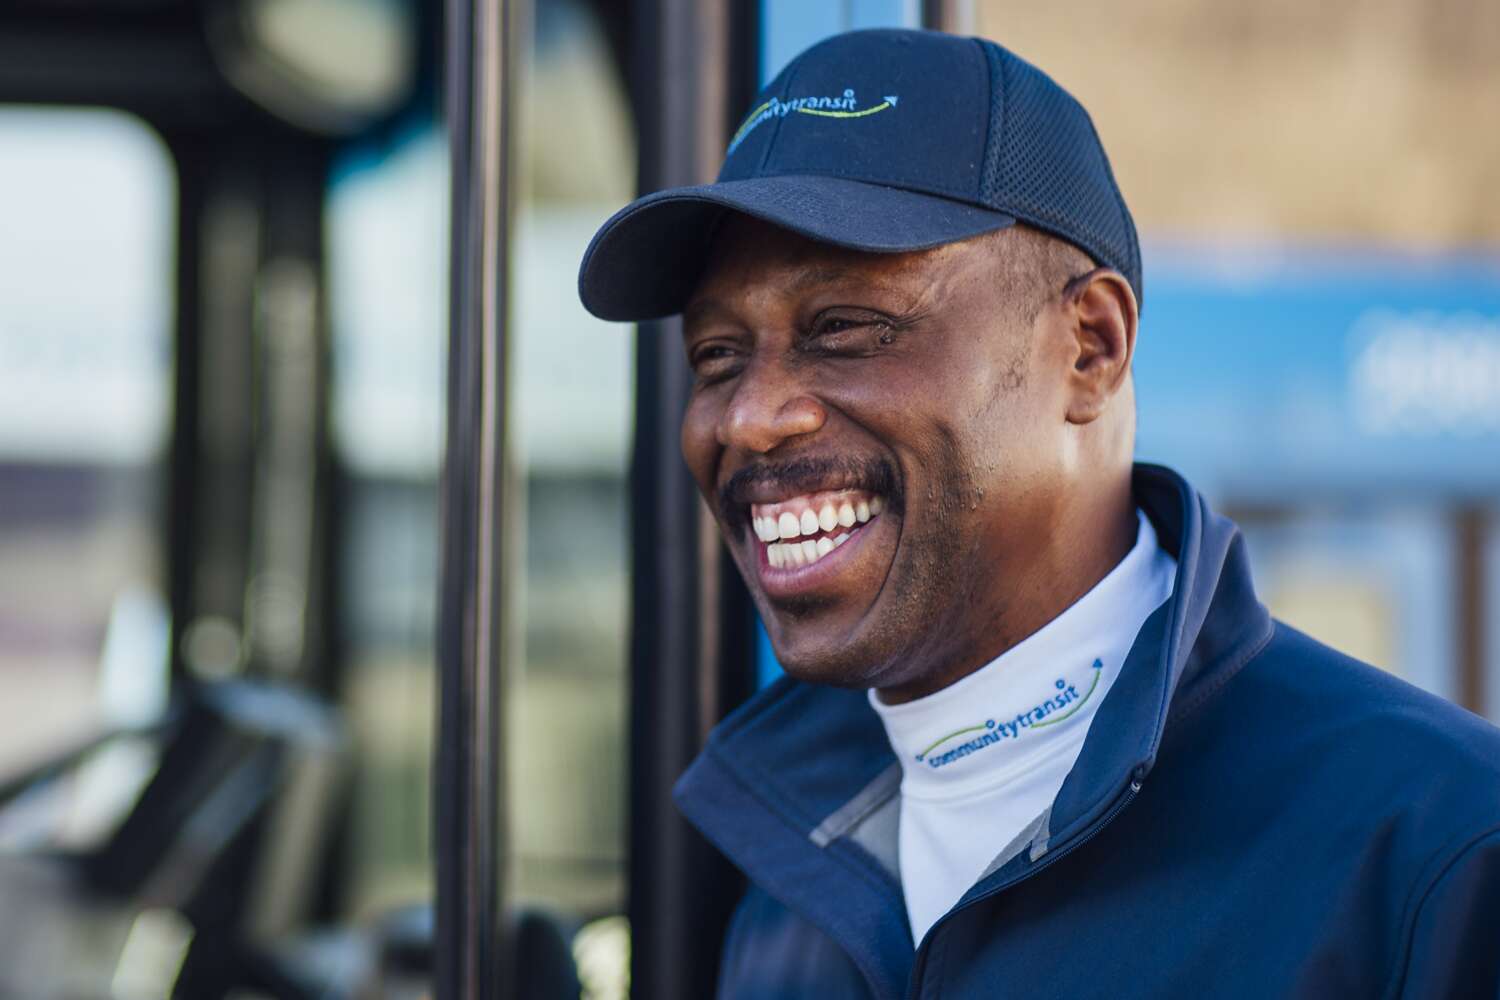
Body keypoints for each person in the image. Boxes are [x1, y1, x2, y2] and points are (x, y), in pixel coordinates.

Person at [577, 27, 1500, 999]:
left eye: (845, 328)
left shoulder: (1436, 855)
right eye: (716, 357)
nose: (752, 416)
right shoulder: (777, 885)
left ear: (1091, 347)